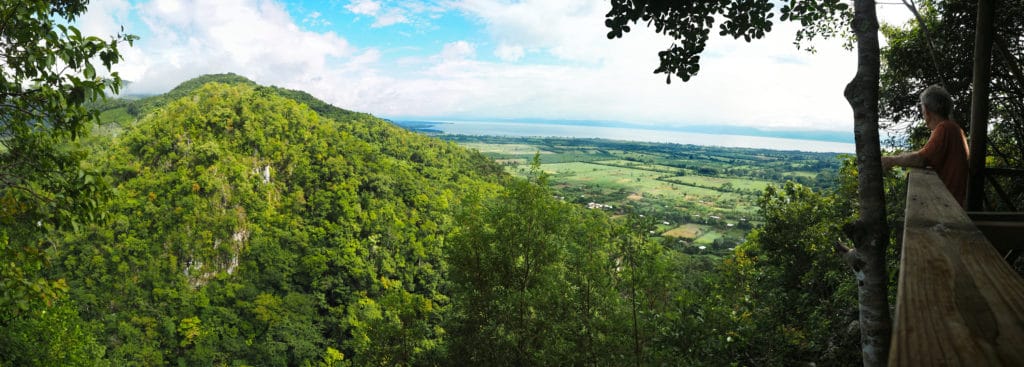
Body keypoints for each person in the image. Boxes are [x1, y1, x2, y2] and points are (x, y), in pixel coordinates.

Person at [881, 85, 970, 206]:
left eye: (922, 109)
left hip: (948, 204)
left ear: (927, 111)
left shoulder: (944, 128)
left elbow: (921, 159)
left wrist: (891, 160)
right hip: (954, 201)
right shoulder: (954, 128)